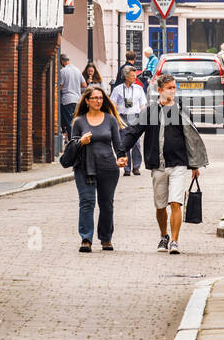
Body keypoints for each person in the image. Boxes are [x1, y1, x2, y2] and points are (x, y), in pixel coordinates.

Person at [119, 73, 208, 255]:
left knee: (175, 202)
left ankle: (174, 241)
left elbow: (191, 138)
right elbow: (133, 131)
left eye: (175, 87)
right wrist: (121, 152)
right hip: (157, 165)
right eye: (169, 88)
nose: (173, 91)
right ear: (160, 90)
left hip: (179, 164)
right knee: (160, 206)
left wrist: (195, 165)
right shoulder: (150, 112)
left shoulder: (182, 110)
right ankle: (164, 235)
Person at [66, 84, 126, 252]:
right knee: (87, 202)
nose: (98, 101)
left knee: (106, 204)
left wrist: (121, 158)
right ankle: (86, 239)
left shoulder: (110, 119)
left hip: (108, 167)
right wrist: (81, 142)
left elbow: (118, 143)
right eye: (94, 98)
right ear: (87, 101)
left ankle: (106, 238)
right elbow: (72, 146)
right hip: (84, 168)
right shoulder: (79, 121)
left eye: (100, 98)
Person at [110, 65, 148, 176]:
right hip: (123, 117)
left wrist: (142, 117)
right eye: (132, 76)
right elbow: (113, 104)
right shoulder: (117, 89)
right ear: (126, 76)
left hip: (135, 116)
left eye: (135, 75)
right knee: (124, 142)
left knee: (136, 143)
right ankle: (126, 168)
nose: (134, 77)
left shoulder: (139, 88)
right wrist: (116, 117)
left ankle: (136, 167)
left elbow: (143, 104)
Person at [59, 54, 83, 138]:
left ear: (62, 61)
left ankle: (73, 140)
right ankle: (77, 139)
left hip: (67, 99)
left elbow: (60, 86)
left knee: (69, 123)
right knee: (75, 120)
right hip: (77, 99)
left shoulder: (63, 71)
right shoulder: (77, 70)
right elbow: (84, 84)